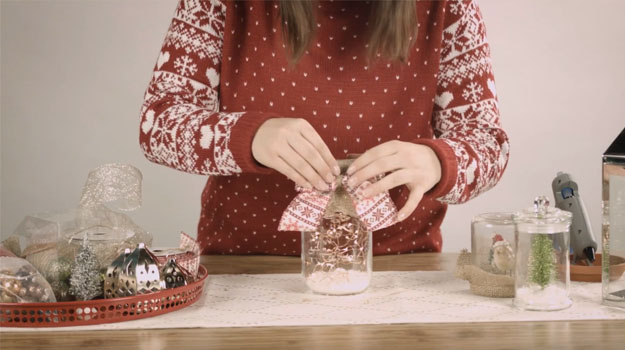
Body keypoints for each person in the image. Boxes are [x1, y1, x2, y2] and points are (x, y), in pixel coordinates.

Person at [139, 0, 510, 255]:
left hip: (399, 265)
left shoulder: (447, 6)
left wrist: (437, 162)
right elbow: (158, 123)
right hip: (245, 265)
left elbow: (489, 145)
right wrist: (249, 137)